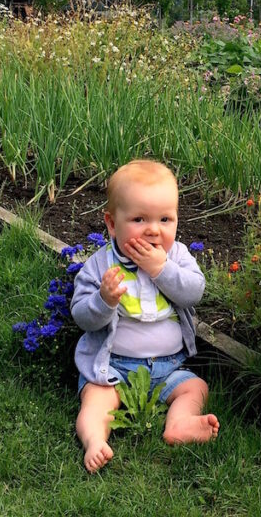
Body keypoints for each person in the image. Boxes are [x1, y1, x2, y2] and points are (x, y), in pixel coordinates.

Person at [71, 159, 219, 472]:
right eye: (139, 219)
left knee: (196, 389)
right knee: (97, 401)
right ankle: (95, 439)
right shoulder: (101, 264)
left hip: (169, 367)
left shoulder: (176, 256)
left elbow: (195, 291)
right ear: (112, 224)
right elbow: (81, 315)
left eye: (165, 219)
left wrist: (161, 269)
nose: (154, 229)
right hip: (113, 368)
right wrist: (103, 300)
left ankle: (179, 424)